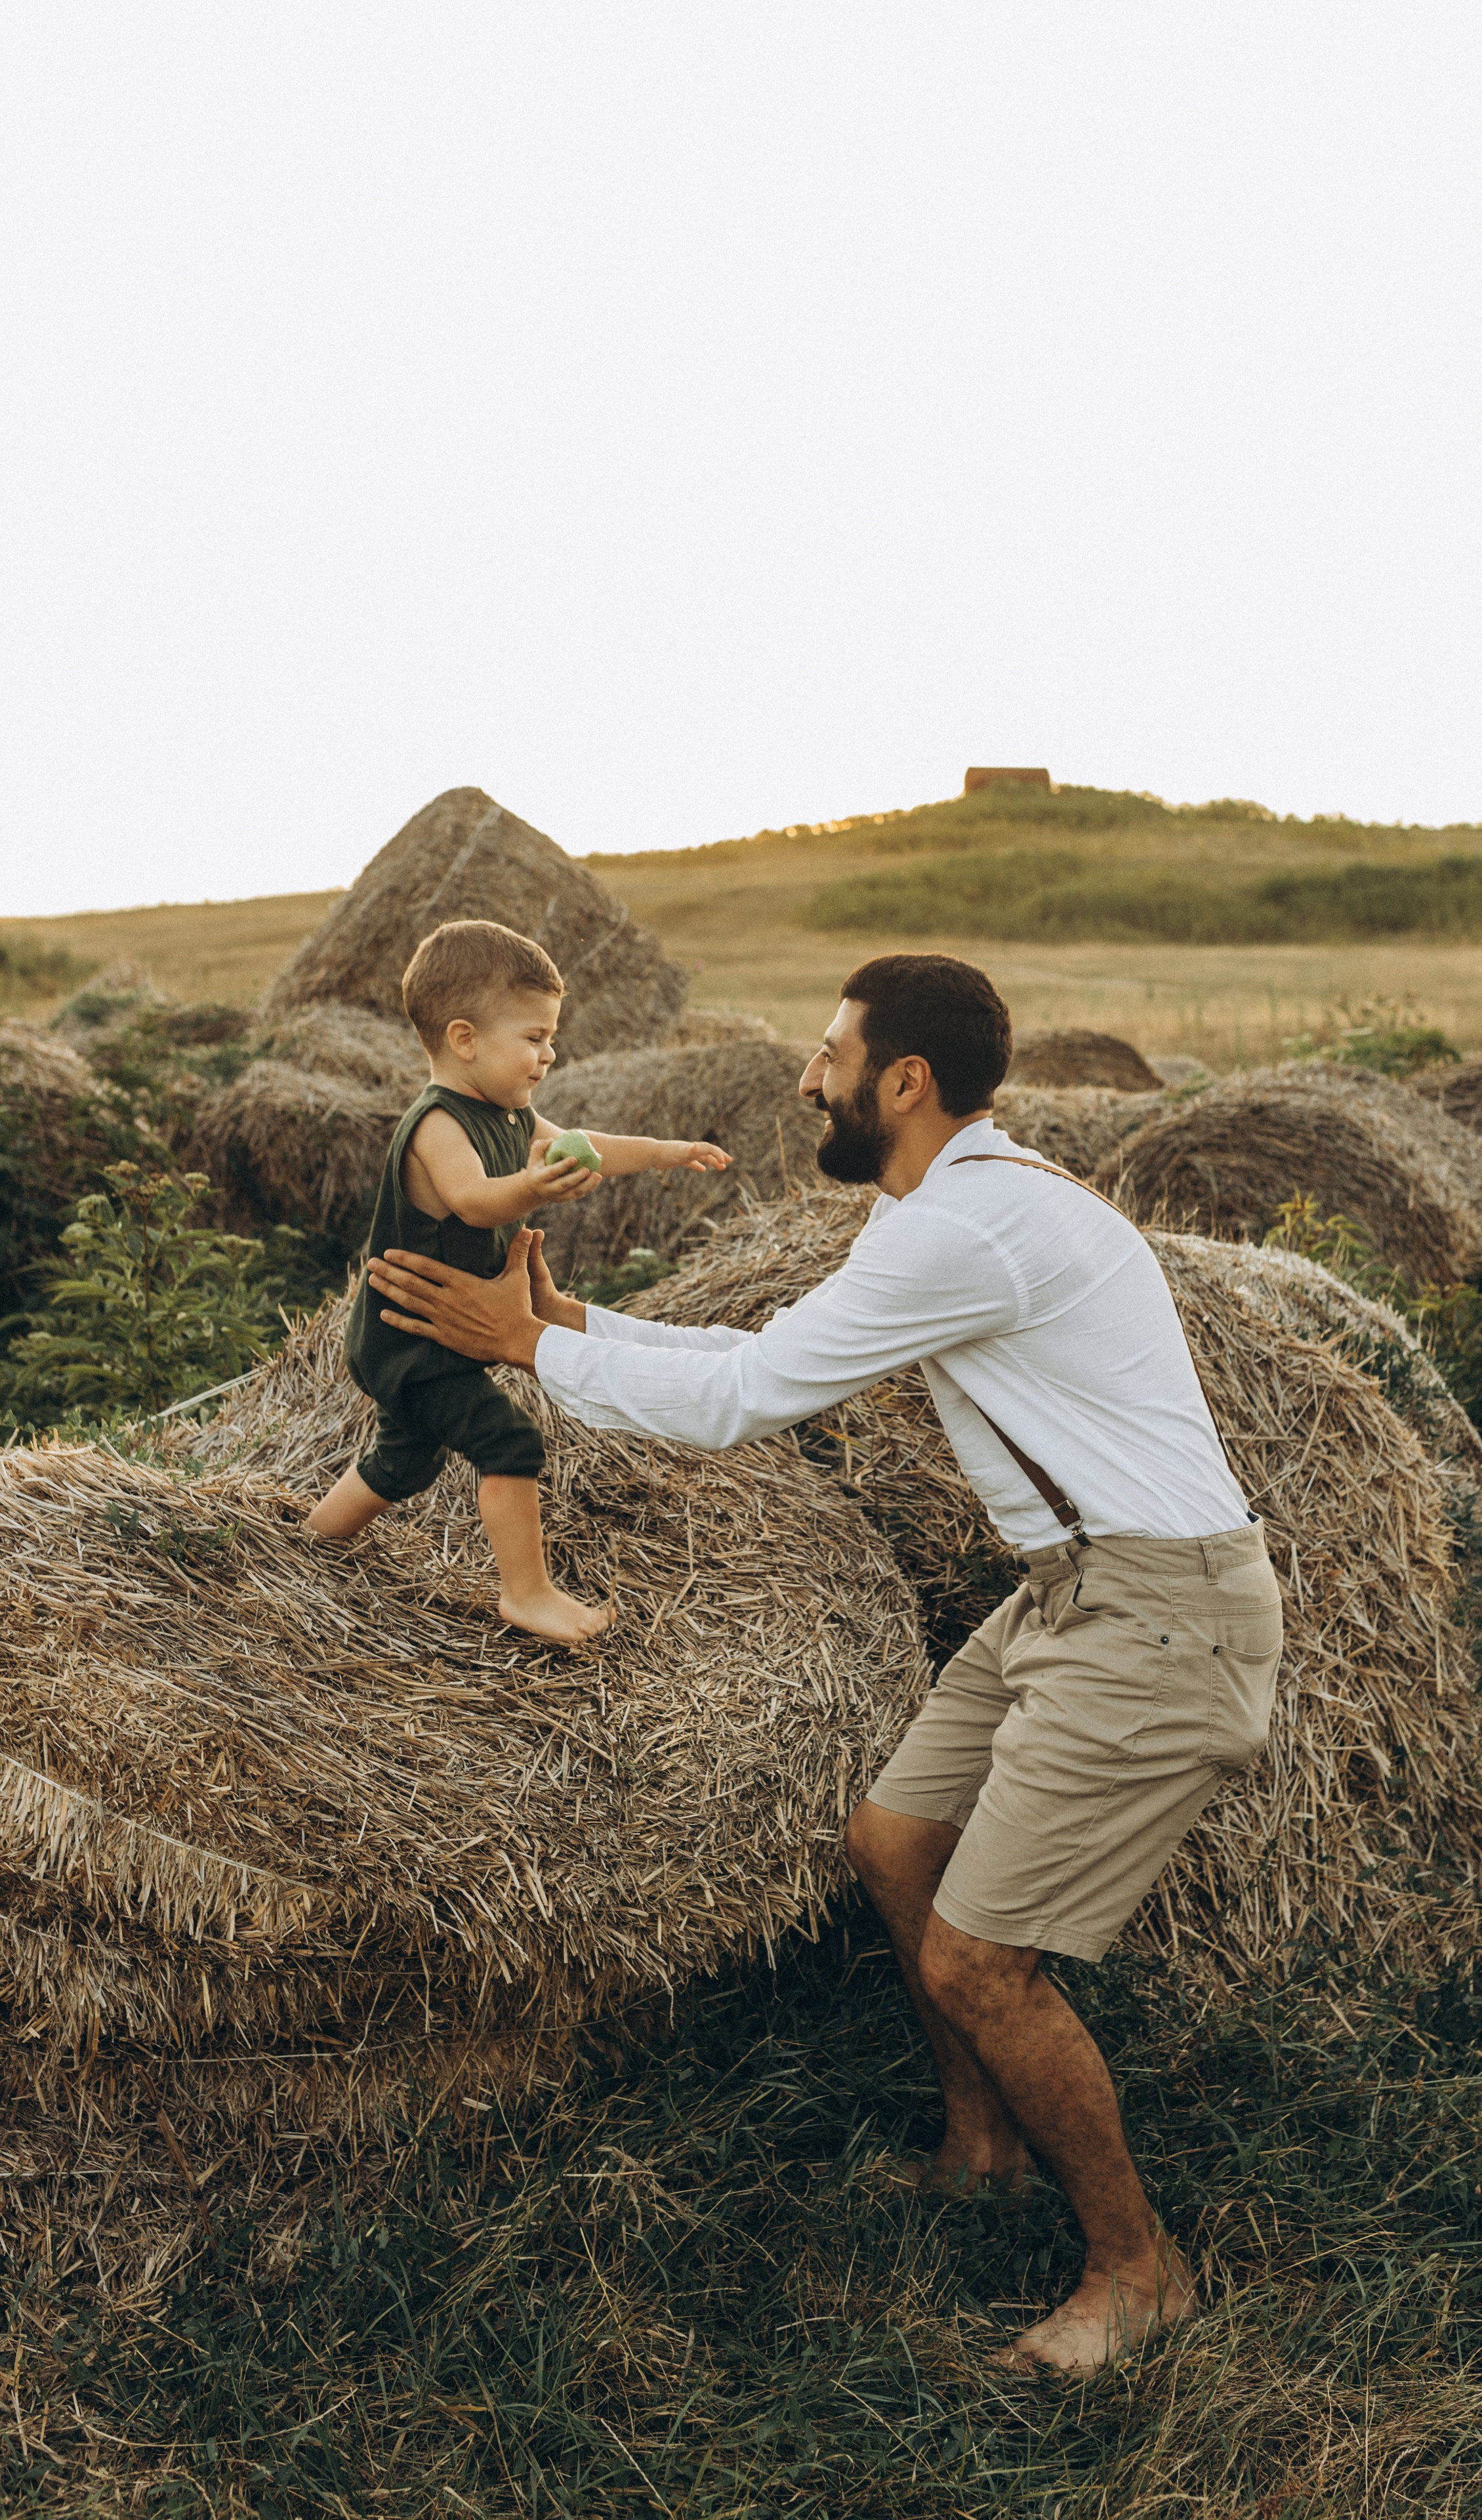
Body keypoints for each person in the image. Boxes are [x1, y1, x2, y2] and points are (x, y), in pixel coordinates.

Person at [362, 952, 1285, 2372]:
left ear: (902, 1083)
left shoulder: (954, 1233)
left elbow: (743, 1403)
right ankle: (981, 2146)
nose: (806, 1075)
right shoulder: (963, 1198)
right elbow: (766, 1352)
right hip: (1071, 1588)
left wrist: (526, 1350)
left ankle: (1135, 2269)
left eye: (831, 1053)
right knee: (890, 1841)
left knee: (982, 1962)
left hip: (1158, 1612)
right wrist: (565, 1326)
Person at [306, 917, 731, 1645]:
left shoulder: (510, 1112)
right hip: (408, 1337)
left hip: (441, 1333)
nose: (548, 1055)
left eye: (550, 1037)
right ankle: (525, 1594)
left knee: (403, 1459)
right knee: (511, 1443)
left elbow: (583, 1146)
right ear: (465, 1038)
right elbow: (473, 1199)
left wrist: (662, 1152)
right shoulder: (437, 1124)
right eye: (533, 1038)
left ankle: (308, 1542)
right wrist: (534, 1188)